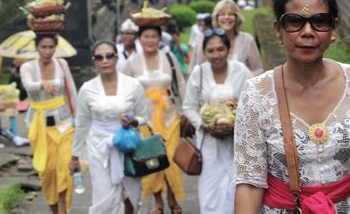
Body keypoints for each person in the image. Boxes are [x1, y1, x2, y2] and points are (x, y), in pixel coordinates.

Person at [234, 0, 350, 213]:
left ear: (334, 28)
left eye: (320, 21)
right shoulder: (257, 93)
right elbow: (249, 182)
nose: (308, 32)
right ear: (278, 31)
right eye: (294, 22)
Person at [69, 40, 147, 214]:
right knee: (103, 196)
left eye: (109, 56)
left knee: (132, 196)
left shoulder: (133, 85)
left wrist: (133, 121)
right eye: (99, 57)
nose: (104, 60)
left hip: (129, 144)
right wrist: (75, 156)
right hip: (99, 147)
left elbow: (144, 117)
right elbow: (82, 124)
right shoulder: (87, 89)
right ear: (94, 61)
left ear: (116, 58)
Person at [182, 29, 252, 214]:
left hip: (235, 142)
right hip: (208, 143)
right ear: (204, 52)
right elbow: (188, 107)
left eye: (220, 49)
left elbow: (254, 102)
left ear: (229, 49)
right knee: (210, 190)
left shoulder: (241, 71)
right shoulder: (199, 73)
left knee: (233, 188)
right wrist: (203, 124)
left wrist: (236, 114)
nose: (216, 55)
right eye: (210, 51)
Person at [123, 25, 186, 214]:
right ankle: (158, 201)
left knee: (171, 157)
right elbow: (125, 91)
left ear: (160, 39)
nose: (150, 40)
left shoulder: (169, 58)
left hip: (169, 116)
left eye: (154, 36)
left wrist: (186, 110)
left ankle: (172, 198)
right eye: (146, 36)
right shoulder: (131, 63)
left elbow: (181, 83)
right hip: (145, 119)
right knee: (152, 158)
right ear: (139, 39)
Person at [20, 34, 77, 214]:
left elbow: (71, 91)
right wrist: (42, 84)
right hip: (39, 124)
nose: (47, 51)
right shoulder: (27, 67)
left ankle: (64, 210)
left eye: (51, 47)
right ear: (37, 48)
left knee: (65, 169)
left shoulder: (62, 64)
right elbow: (28, 86)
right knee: (47, 172)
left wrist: (79, 118)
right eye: (43, 47)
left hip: (64, 122)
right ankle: (54, 210)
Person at [191, 0, 264, 76]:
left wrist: (243, 80)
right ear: (216, 17)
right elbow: (198, 70)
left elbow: (258, 70)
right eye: (222, 14)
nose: (226, 17)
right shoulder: (205, 38)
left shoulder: (247, 40)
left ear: (236, 17)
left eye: (231, 14)